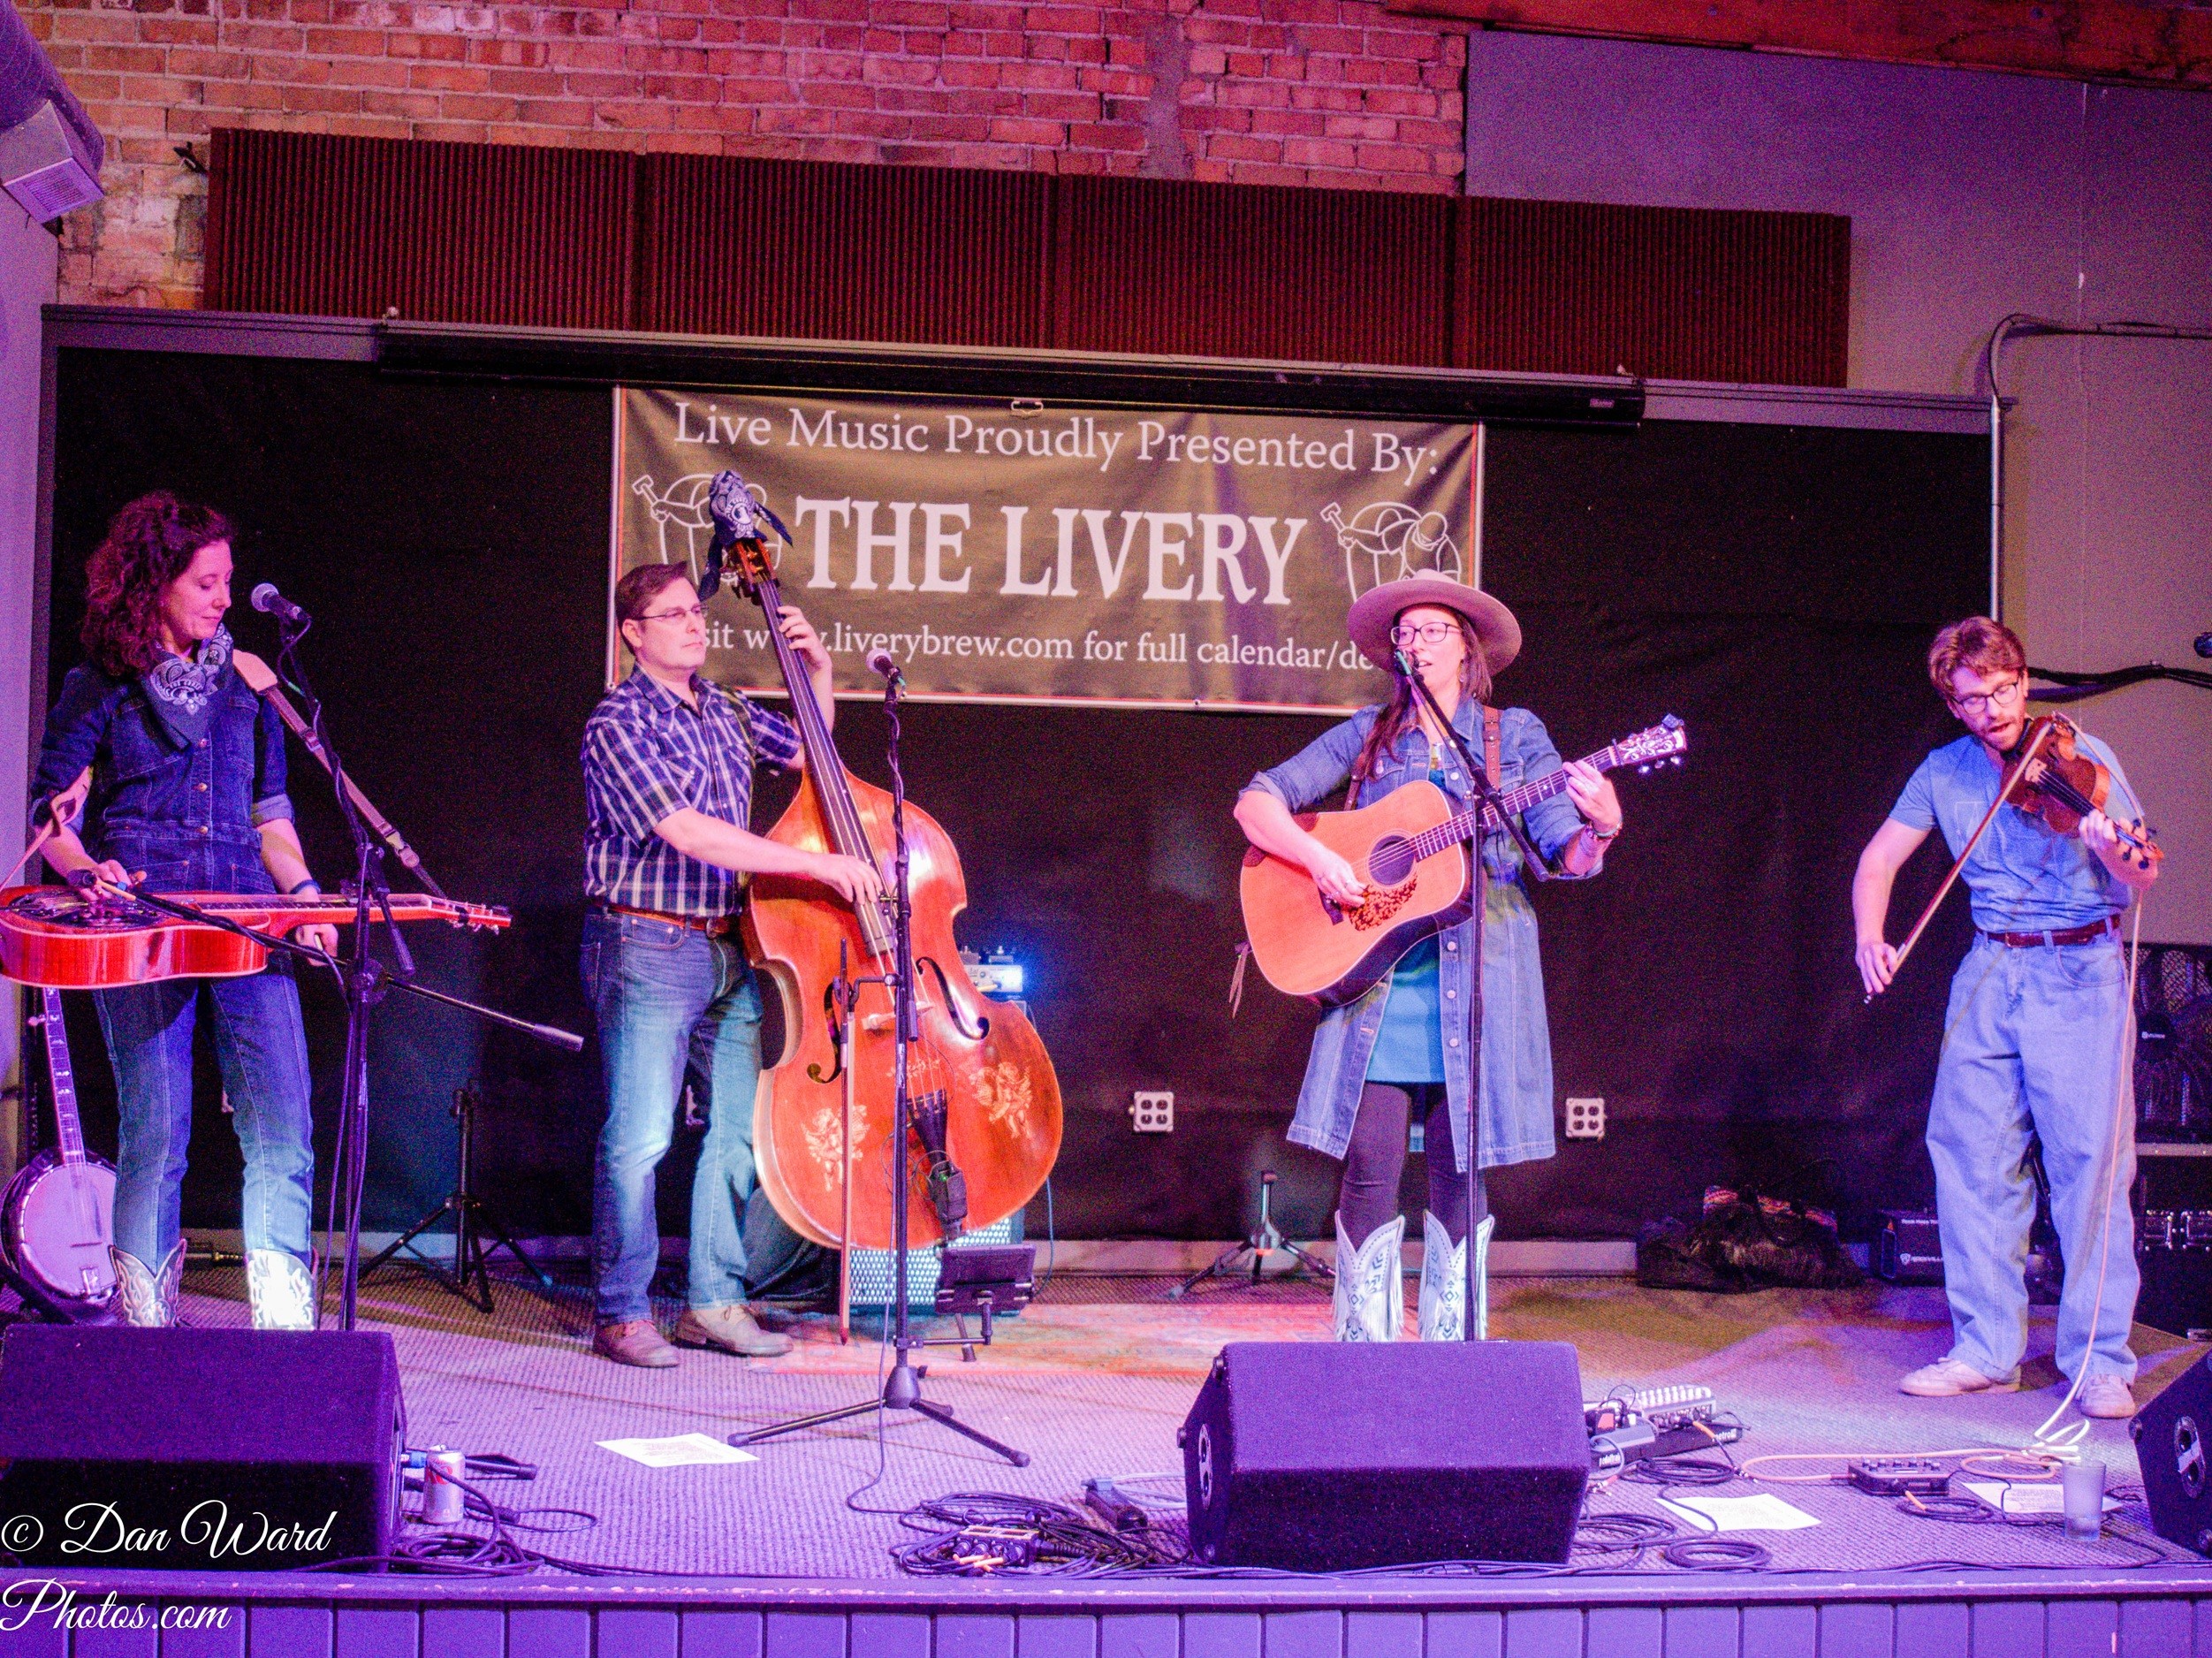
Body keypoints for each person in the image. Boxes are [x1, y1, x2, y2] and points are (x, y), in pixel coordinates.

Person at [1234, 576, 1622, 1342]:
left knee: (1457, 1174)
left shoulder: (1511, 738)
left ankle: (1451, 1355)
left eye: (1432, 630)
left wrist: (1600, 830)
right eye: (1404, 633)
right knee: (1371, 1168)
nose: (1414, 642)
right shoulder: (1369, 733)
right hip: (1379, 988)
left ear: (1466, 648)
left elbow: (1559, 848)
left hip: (1478, 981)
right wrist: (1318, 859)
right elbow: (1257, 801)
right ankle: (1361, 1356)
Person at [30, 492, 337, 1330]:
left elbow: (272, 818)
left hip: (245, 917)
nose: (223, 599)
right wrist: (89, 869)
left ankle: (284, 1329)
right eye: (207, 582)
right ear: (155, 583)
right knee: (156, 1135)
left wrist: (303, 898)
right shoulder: (101, 684)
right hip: (141, 924)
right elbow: (51, 821)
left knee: (283, 1130)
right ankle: (147, 1333)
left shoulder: (250, 682)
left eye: (227, 582)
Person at [1853, 617, 2159, 1418]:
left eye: (2000, 690)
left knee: (2088, 1167)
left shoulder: (2083, 761)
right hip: (1989, 969)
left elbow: (2139, 871)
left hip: (2077, 968)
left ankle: (2099, 1360)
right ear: (1951, 705)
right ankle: (1986, 1351)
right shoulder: (1942, 771)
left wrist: (2108, 845)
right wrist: (1869, 937)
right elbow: (1880, 859)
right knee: (1969, 1156)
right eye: (1969, 699)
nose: (1989, 709)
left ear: (2021, 682)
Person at [580, 562, 882, 1367]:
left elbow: (812, 757)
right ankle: (622, 1313)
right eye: (673, 615)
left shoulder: (725, 710)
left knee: (739, 1132)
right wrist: (815, 868)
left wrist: (817, 674)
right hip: (646, 942)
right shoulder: (617, 721)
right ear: (634, 635)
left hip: (729, 944)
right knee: (640, 1138)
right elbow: (687, 832)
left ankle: (712, 1303)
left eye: (696, 612)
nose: (694, 624)